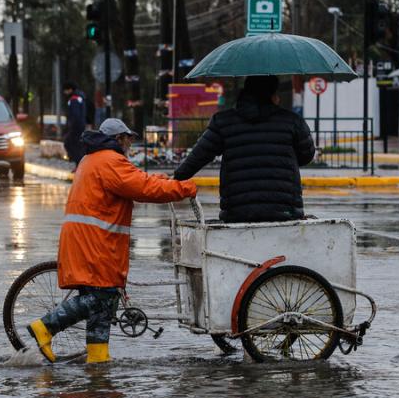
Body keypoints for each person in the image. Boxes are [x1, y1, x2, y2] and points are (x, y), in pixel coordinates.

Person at [28, 118, 198, 364]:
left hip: (89, 239)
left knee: (103, 304)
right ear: (118, 139)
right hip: (95, 242)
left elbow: (137, 180)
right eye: (128, 138)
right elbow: (144, 189)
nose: (130, 143)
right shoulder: (110, 160)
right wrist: (185, 188)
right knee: (103, 297)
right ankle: (46, 326)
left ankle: (98, 358)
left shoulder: (94, 159)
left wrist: (164, 179)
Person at [173, 76, 315, 223]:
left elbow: (199, 156)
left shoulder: (223, 122)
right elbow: (306, 155)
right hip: (286, 211)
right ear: (273, 94)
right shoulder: (292, 121)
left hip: (237, 213)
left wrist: (176, 178)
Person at [62, 82, 86, 167]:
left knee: (69, 143)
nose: (64, 93)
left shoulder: (74, 99)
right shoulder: (80, 97)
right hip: (80, 126)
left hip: (75, 127)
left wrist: (70, 127)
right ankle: (78, 164)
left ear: (70, 90)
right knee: (77, 145)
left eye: (65, 90)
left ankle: (78, 164)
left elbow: (75, 115)